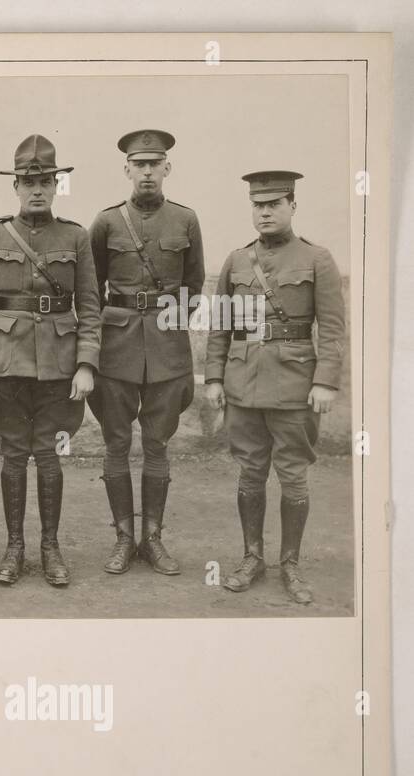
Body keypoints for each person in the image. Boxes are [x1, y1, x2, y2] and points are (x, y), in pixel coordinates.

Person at [0, 134, 102, 587]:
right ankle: (14, 547)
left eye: (46, 181)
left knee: (48, 456)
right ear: (16, 186)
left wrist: (86, 364)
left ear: (57, 184)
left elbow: (90, 306)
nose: (37, 189)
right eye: (29, 181)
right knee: (11, 455)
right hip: (5, 365)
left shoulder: (76, 237)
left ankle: (50, 547)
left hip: (60, 367)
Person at [205, 170, 346, 604]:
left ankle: (291, 563)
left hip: (295, 385)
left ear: (292, 206)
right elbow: (220, 328)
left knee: (292, 475)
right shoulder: (236, 261)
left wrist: (325, 381)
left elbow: (333, 329)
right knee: (250, 472)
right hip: (243, 384)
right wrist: (213, 377)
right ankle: (252, 557)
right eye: (258, 205)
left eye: (274, 204)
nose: (264, 212)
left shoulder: (317, 259)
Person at [87, 129, 205, 575]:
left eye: (155, 164)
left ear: (167, 169)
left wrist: (171, 325)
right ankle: (122, 538)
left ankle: (152, 539)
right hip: (115, 350)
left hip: (167, 349)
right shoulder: (106, 222)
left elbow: (194, 284)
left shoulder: (186, 220)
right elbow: (90, 289)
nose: (148, 172)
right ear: (127, 170)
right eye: (140, 165)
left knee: (157, 443)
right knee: (116, 442)